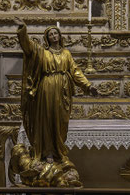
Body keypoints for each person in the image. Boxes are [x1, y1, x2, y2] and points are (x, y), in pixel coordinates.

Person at [17, 22, 98, 165]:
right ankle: (48, 152)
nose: (54, 36)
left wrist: (88, 86)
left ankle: (59, 152)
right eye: (50, 34)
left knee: (61, 120)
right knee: (47, 120)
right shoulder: (42, 52)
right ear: (47, 38)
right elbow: (27, 46)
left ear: (60, 36)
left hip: (63, 90)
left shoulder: (66, 53)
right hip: (46, 88)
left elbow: (75, 71)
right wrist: (23, 29)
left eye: (56, 33)